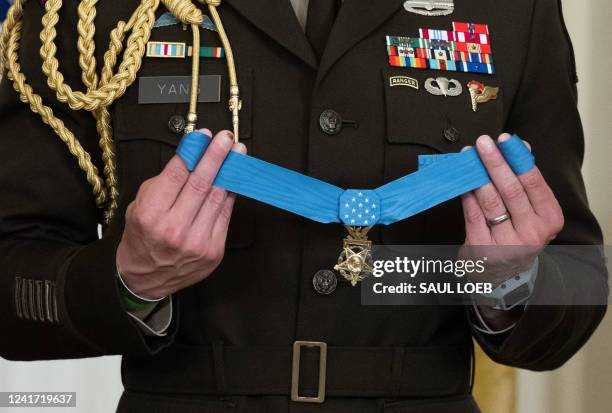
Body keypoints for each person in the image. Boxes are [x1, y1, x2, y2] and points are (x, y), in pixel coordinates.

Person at [0, 0, 607, 412]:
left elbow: (578, 286)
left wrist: (503, 281)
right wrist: (130, 280)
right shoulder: (87, 14)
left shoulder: (512, 10)